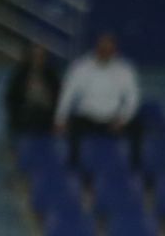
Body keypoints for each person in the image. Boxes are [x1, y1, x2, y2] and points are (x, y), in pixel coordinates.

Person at [55, 31, 141, 165]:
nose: (105, 52)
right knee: (73, 129)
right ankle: (75, 172)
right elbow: (67, 94)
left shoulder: (124, 69)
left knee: (138, 129)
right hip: (87, 118)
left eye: (109, 49)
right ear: (96, 47)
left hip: (114, 120)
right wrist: (60, 118)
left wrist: (123, 119)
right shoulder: (80, 67)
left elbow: (133, 97)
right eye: (102, 48)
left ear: (114, 50)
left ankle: (134, 172)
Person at [4, 43, 63, 137]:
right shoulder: (21, 75)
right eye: (36, 56)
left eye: (41, 56)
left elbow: (59, 98)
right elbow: (10, 98)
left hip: (46, 120)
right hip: (25, 119)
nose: (38, 59)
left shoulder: (51, 76)